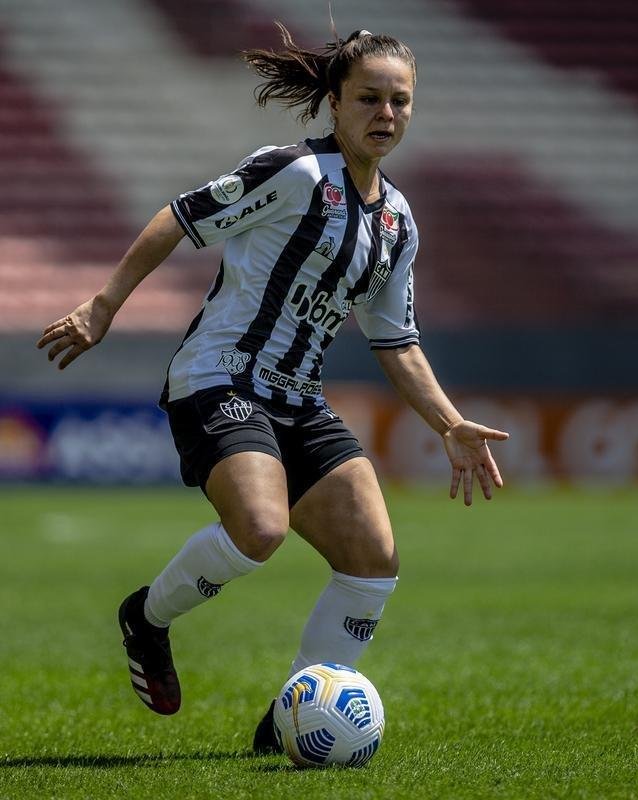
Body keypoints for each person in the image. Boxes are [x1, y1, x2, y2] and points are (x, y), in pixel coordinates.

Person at [37, 25, 509, 753]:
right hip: (218, 378)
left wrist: (448, 422)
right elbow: (181, 218)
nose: (385, 115)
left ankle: (287, 721)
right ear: (334, 102)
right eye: (369, 99)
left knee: (373, 558)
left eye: (400, 102)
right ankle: (147, 618)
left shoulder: (397, 220)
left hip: (299, 397)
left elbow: (395, 339)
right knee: (260, 529)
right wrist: (103, 305)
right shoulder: (292, 173)